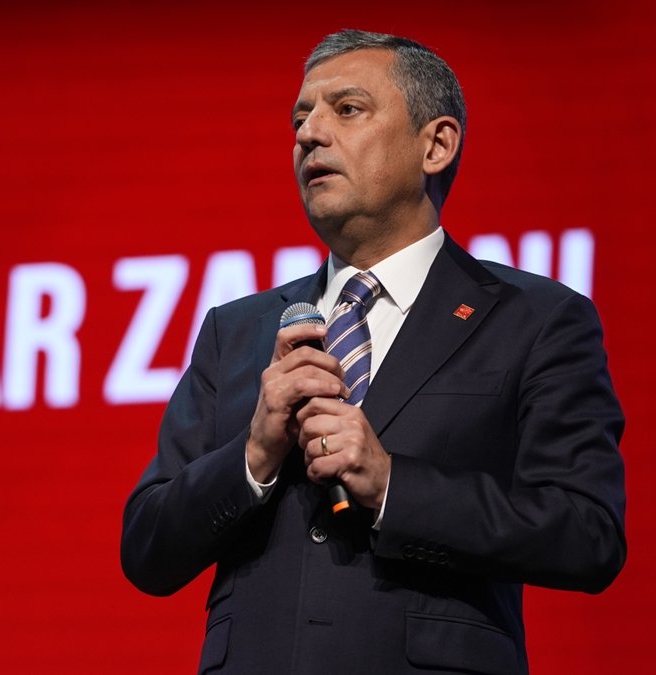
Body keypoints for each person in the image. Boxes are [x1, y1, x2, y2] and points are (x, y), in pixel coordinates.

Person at [120, 29, 626, 674]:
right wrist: (253, 456)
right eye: (300, 119)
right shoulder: (237, 330)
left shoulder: (536, 319)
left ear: (436, 145)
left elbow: (586, 534)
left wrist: (393, 486)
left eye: (347, 109)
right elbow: (147, 548)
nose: (310, 134)